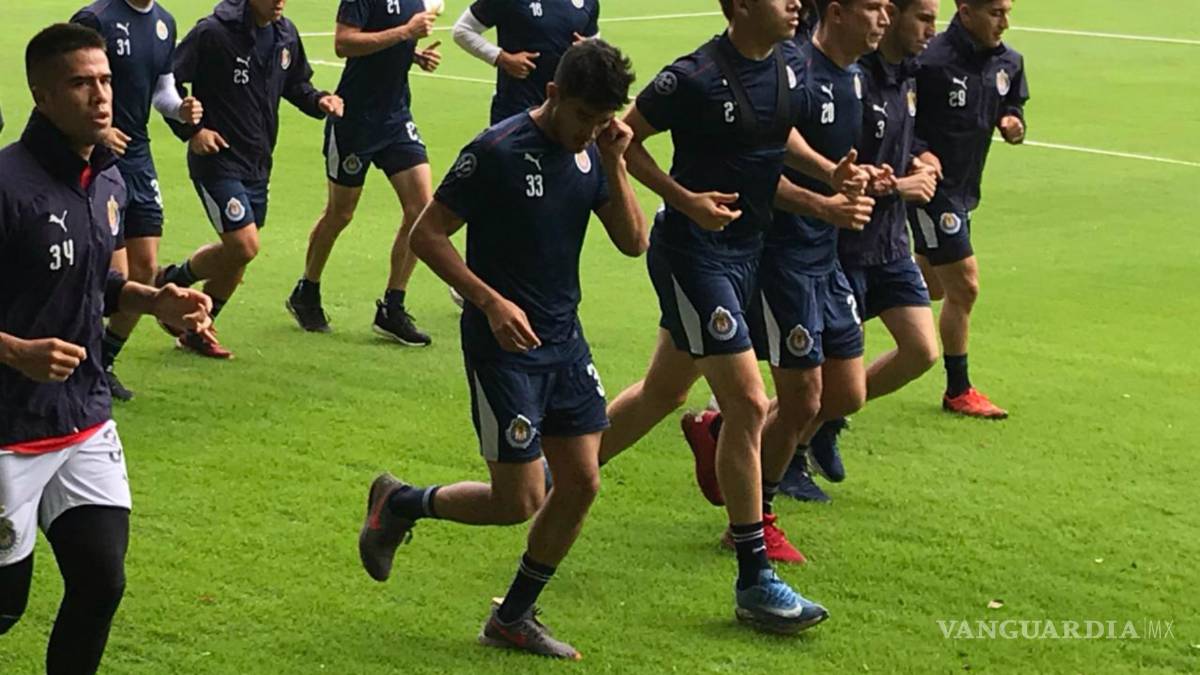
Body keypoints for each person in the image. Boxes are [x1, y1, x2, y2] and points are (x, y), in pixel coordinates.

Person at [357, 40, 644, 659]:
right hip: (503, 346)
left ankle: (512, 617)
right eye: (583, 117)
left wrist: (616, 161)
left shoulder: (595, 153)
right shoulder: (497, 151)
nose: (590, 131)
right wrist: (489, 302)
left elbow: (633, 242)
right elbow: (427, 234)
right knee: (519, 501)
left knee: (581, 482)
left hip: (564, 340)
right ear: (553, 95)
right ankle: (400, 502)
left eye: (602, 120)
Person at [594, 0, 850, 633]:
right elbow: (624, 142)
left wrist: (827, 179)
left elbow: (772, 147)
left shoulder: (789, 65)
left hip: (747, 251)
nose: (796, 3)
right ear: (739, 6)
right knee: (748, 402)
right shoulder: (693, 77)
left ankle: (559, 474)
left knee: (663, 392)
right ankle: (754, 577)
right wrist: (685, 199)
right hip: (692, 254)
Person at [0, 23, 212, 674]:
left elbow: (98, 282)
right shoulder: (6, 186)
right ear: (42, 96)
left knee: (100, 580)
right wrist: (14, 351)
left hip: (84, 417)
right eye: (80, 83)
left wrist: (152, 299)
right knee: (4, 608)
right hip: (9, 429)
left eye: (105, 81)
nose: (100, 96)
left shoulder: (109, 179)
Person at [780, 0, 942, 494]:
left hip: (889, 240)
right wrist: (898, 187)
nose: (930, 30)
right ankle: (785, 454)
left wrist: (920, 158)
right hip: (845, 242)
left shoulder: (906, 73)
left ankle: (820, 425)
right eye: (922, 18)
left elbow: (896, 142)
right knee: (822, 380)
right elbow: (838, 165)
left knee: (921, 351)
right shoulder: (851, 74)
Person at [157, 0, 344, 358]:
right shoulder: (213, 33)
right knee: (244, 245)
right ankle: (172, 280)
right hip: (217, 159)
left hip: (258, 161)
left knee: (239, 255)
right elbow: (168, 82)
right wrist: (193, 131)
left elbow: (296, 84)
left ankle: (197, 329)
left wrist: (320, 100)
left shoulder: (285, 34)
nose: (280, 2)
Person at [286, 0, 444, 344]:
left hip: (396, 118)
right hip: (354, 120)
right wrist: (406, 32)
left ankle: (392, 306)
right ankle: (307, 289)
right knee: (340, 213)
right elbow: (344, 43)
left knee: (422, 210)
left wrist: (415, 55)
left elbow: (392, 43)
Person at [70, 0, 203, 399]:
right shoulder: (97, 18)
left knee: (143, 268)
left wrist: (180, 109)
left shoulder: (164, 23)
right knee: (103, 271)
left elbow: (162, 90)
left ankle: (104, 360)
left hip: (137, 155)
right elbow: (66, 83)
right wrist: (98, 132)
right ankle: (78, 358)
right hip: (97, 155)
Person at [909, 0, 1028, 418]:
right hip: (931, 190)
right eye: (995, 12)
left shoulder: (1009, 62)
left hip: (965, 190)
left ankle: (852, 299)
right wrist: (919, 153)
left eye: (1008, 11)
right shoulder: (929, 62)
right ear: (964, 10)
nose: (1005, 22)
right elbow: (900, 118)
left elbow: (1012, 103)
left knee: (933, 288)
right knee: (965, 287)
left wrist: (1013, 123)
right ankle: (958, 390)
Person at [452, 0, 600, 125]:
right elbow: (463, 30)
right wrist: (501, 57)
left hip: (566, 109)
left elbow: (594, 41)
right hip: (516, 106)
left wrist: (589, 48)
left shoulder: (588, 3)